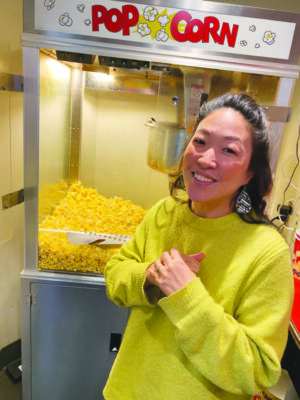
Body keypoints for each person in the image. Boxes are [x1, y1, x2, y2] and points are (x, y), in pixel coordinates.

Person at [103, 93, 294, 400]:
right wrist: (151, 275)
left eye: (229, 150)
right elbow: (115, 277)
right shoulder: (165, 212)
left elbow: (257, 371)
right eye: (200, 142)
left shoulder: (268, 252)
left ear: (249, 173)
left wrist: (186, 295)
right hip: (128, 389)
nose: (205, 159)